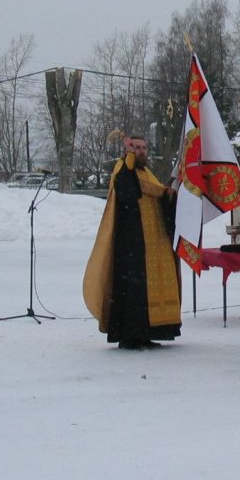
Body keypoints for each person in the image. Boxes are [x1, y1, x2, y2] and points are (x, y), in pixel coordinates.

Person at [82, 135, 181, 350]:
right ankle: (129, 335)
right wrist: (127, 159)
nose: (141, 151)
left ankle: (146, 333)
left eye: (144, 147)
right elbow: (127, 193)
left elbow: (159, 195)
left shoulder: (146, 173)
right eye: (136, 147)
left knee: (145, 292)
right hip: (131, 243)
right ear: (127, 149)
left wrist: (169, 196)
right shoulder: (122, 169)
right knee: (132, 292)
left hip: (151, 244)